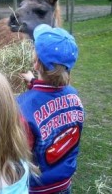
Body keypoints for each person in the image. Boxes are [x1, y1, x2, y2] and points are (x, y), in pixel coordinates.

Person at [17, 24, 85, 194]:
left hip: (38, 188)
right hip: (64, 183)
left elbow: (20, 154)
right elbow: (51, 96)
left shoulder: (22, 107)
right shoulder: (74, 96)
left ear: (36, 63)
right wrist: (34, 82)